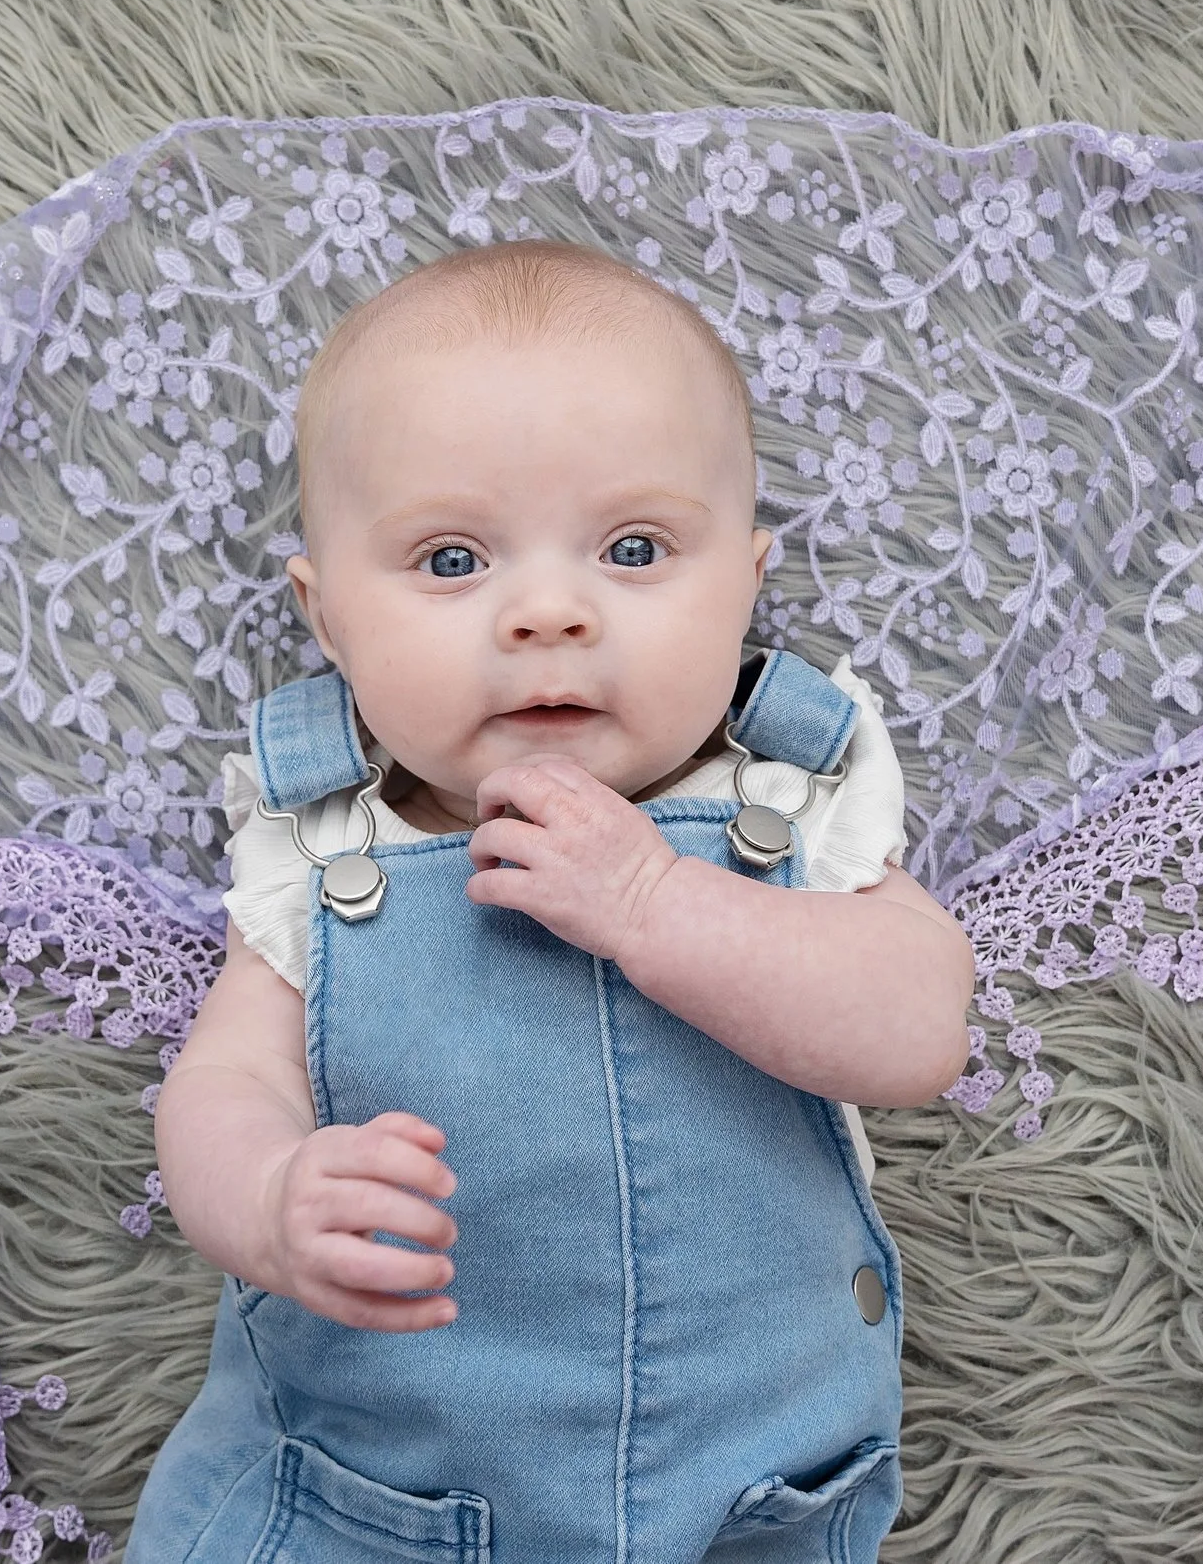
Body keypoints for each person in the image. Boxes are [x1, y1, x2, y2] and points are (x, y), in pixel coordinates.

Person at [127, 238, 975, 1562]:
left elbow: (923, 1022)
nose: (546, 612)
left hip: (744, 1501)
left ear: (747, 584)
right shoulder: (324, 842)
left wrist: (656, 903)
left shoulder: (794, 796)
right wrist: (272, 1193)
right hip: (366, 1496)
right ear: (329, 617)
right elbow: (221, 1084)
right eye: (453, 560)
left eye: (634, 547)